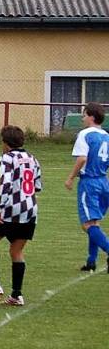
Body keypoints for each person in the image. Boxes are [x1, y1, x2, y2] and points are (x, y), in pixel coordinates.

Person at [0, 125, 43, 307]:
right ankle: (17, 295)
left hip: (11, 210)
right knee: (16, 250)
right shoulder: (32, 158)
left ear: (5, 143)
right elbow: (37, 185)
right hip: (30, 210)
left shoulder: (7, 158)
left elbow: (5, 184)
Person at [65, 102, 109, 274]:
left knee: (87, 224)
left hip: (89, 182)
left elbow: (82, 159)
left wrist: (70, 178)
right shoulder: (106, 136)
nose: (82, 118)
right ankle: (91, 261)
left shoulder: (84, 134)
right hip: (103, 182)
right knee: (94, 223)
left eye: (84, 115)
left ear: (91, 116)